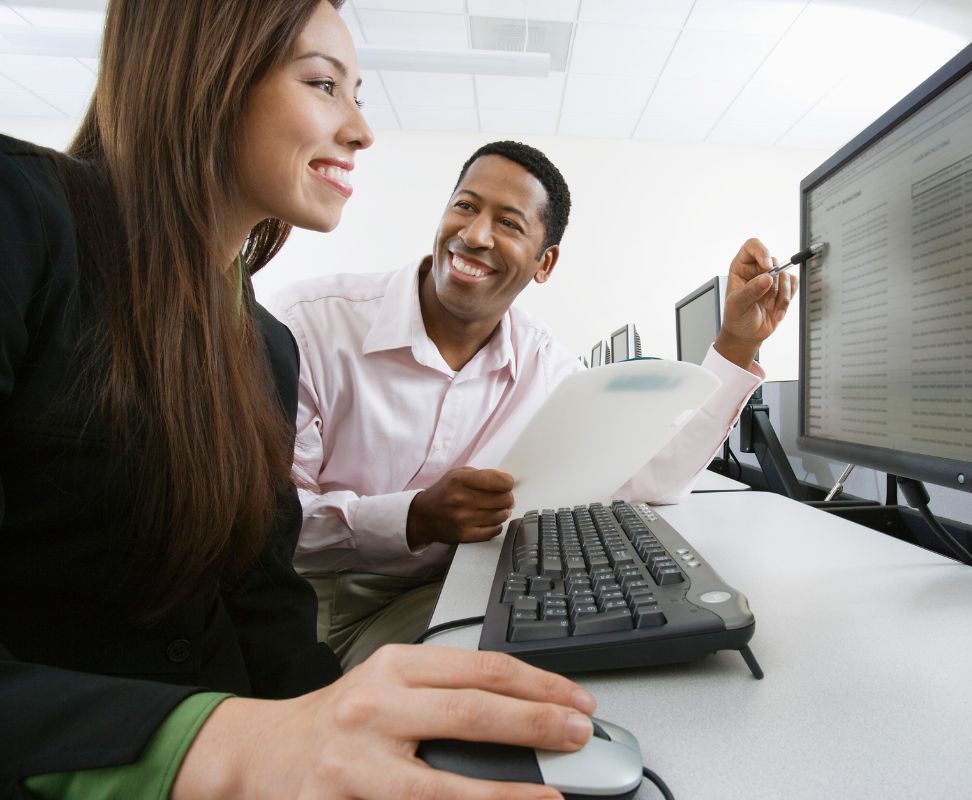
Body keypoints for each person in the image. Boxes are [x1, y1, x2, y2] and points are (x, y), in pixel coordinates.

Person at [1, 2, 599, 798]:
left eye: (357, 94)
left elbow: (263, 606)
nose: (360, 131)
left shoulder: (262, 345)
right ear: (205, 75)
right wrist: (239, 747)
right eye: (324, 84)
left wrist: (338, 725)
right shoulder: (23, 218)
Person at [271, 140, 798, 667]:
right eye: (466, 205)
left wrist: (735, 343)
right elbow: (268, 522)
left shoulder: (546, 365)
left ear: (545, 264)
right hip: (311, 598)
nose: (474, 235)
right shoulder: (310, 324)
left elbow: (646, 477)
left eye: (509, 224)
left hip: (449, 584)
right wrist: (414, 518)